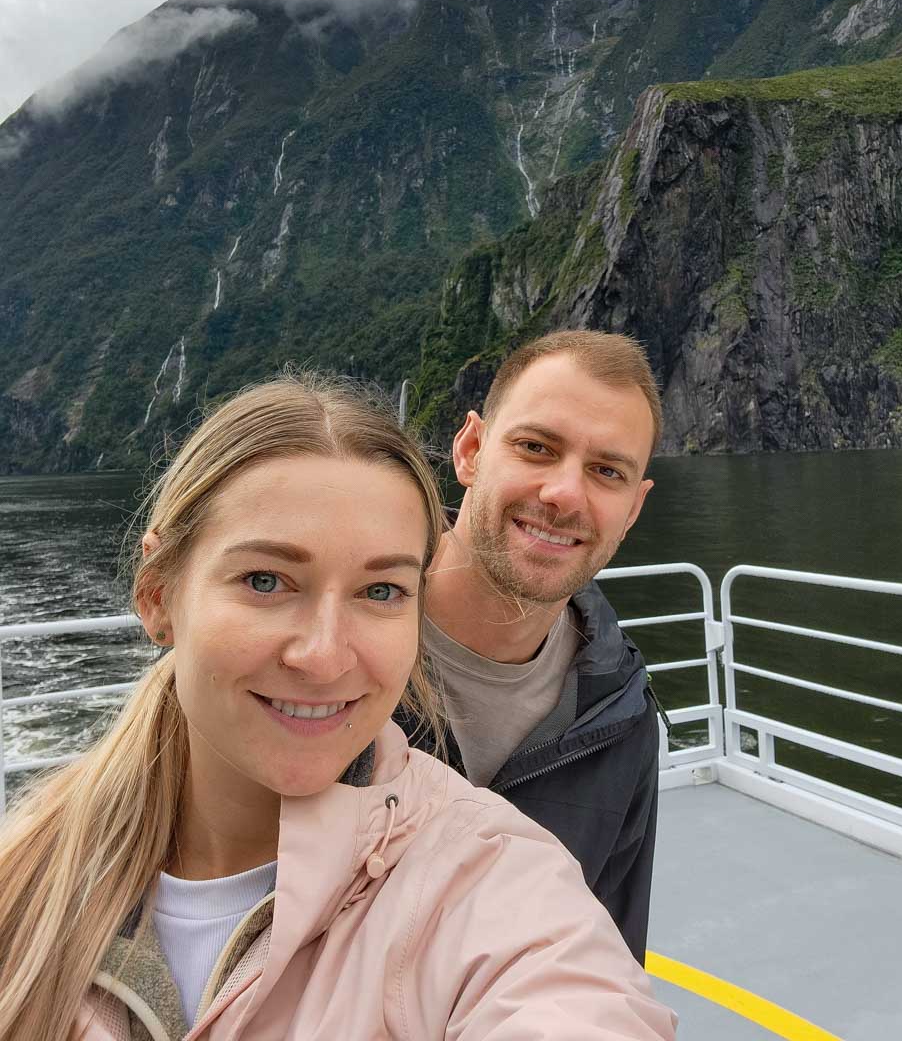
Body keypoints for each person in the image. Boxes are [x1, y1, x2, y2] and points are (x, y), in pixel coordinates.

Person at [0, 374, 676, 1041]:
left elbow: (586, 975)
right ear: (157, 596)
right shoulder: (23, 883)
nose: (324, 658)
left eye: (380, 591)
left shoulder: (535, 822)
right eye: (266, 581)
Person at [410, 330, 664, 963]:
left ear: (634, 508)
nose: (564, 494)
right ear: (470, 450)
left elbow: (605, 961)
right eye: (536, 448)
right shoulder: (332, 656)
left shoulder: (621, 716)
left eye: (607, 472)